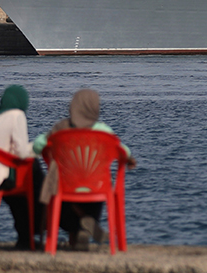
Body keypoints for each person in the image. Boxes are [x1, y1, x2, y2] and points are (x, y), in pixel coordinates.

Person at [34, 88, 136, 251]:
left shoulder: (61, 128)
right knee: (98, 187)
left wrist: (51, 140)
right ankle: (85, 226)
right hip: (97, 187)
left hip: (65, 186)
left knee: (63, 190)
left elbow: (38, 145)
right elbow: (124, 151)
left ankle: (78, 230)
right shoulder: (103, 131)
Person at [0, 84, 43, 249]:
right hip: (0, 177)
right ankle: (40, 223)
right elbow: (20, 152)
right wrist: (38, 148)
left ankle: (25, 237)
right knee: (32, 171)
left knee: (19, 192)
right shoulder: (16, 115)